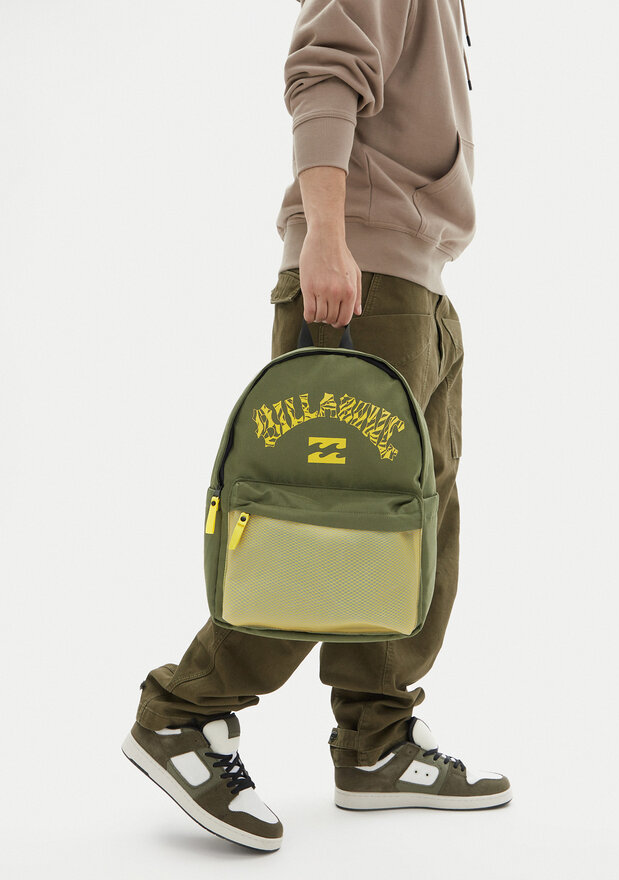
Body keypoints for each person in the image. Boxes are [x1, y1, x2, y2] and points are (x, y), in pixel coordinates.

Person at [121, 0, 512, 852]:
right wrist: (327, 240)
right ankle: (183, 712)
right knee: (320, 534)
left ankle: (378, 737)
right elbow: (324, 72)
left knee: (411, 526)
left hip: (418, 279)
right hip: (363, 270)